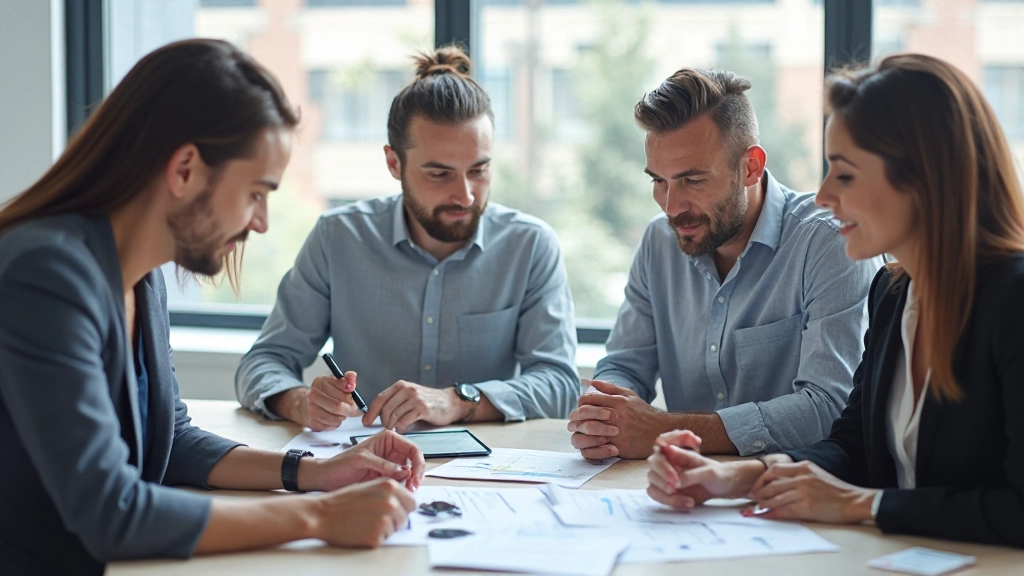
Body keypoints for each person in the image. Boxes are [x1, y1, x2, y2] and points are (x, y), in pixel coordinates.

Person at [0, 40, 426, 576]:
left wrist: (314, 473)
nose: (261, 223)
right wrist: (318, 516)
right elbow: (111, 512)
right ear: (184, 170)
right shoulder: (46, 274)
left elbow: (172, 441)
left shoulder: (141, 276)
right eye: (256, 193)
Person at [646, 54, 1024, 548]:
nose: (823, 196)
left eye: (844, 175)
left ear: (924, 178)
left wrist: (864, 505)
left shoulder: (1013, 300)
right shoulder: (895, 294)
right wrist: (739, 477)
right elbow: (853, 448)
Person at [235, 45, 578, 433]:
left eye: (478, 171)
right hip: (362, 457)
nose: (465, 196)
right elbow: (263, 362)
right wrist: (301, 402)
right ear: (394, 163)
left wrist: (456, 401)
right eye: (439, 174)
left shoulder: (530, 246)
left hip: (487, 464)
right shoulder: (338, 238)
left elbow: (559, 383)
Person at [568, 68, 881, 459]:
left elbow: (829, 406)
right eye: (659, 181)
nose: (672, 207)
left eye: (693, 180)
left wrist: (662, 429)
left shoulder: (829, 243)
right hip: (675, 483)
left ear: (751, 167)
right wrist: (606, 414)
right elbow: (626, 365)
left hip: (788, 485)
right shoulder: (659, 241)